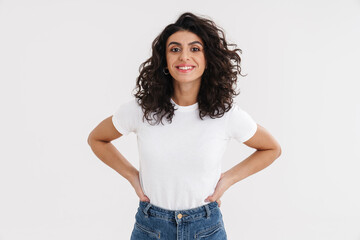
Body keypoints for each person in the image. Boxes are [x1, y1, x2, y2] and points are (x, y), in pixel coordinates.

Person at [88, 12, 281, 240]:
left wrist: (227, 179)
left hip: (206, 228)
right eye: (175, 49)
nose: (184, 57)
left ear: (208, 58)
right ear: (165, 60)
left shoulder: (226, 114)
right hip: (151, 228)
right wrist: (132, 176)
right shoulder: (143, 109)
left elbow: (271, 149)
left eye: (195, 49)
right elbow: (97, 139)